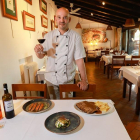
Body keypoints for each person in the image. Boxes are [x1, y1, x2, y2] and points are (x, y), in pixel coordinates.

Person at [34, 7, 88, 99]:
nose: (62, 20)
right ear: (55, 19)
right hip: (50, 79)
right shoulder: (48, 36)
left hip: (67, 80)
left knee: (67, 107)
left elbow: (79, 59)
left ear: (69, 19)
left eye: (65, 17)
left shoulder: (76, 37)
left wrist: (84, 80)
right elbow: (41, 55)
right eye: (59, 17)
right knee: (53, 106)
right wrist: (38, 52)